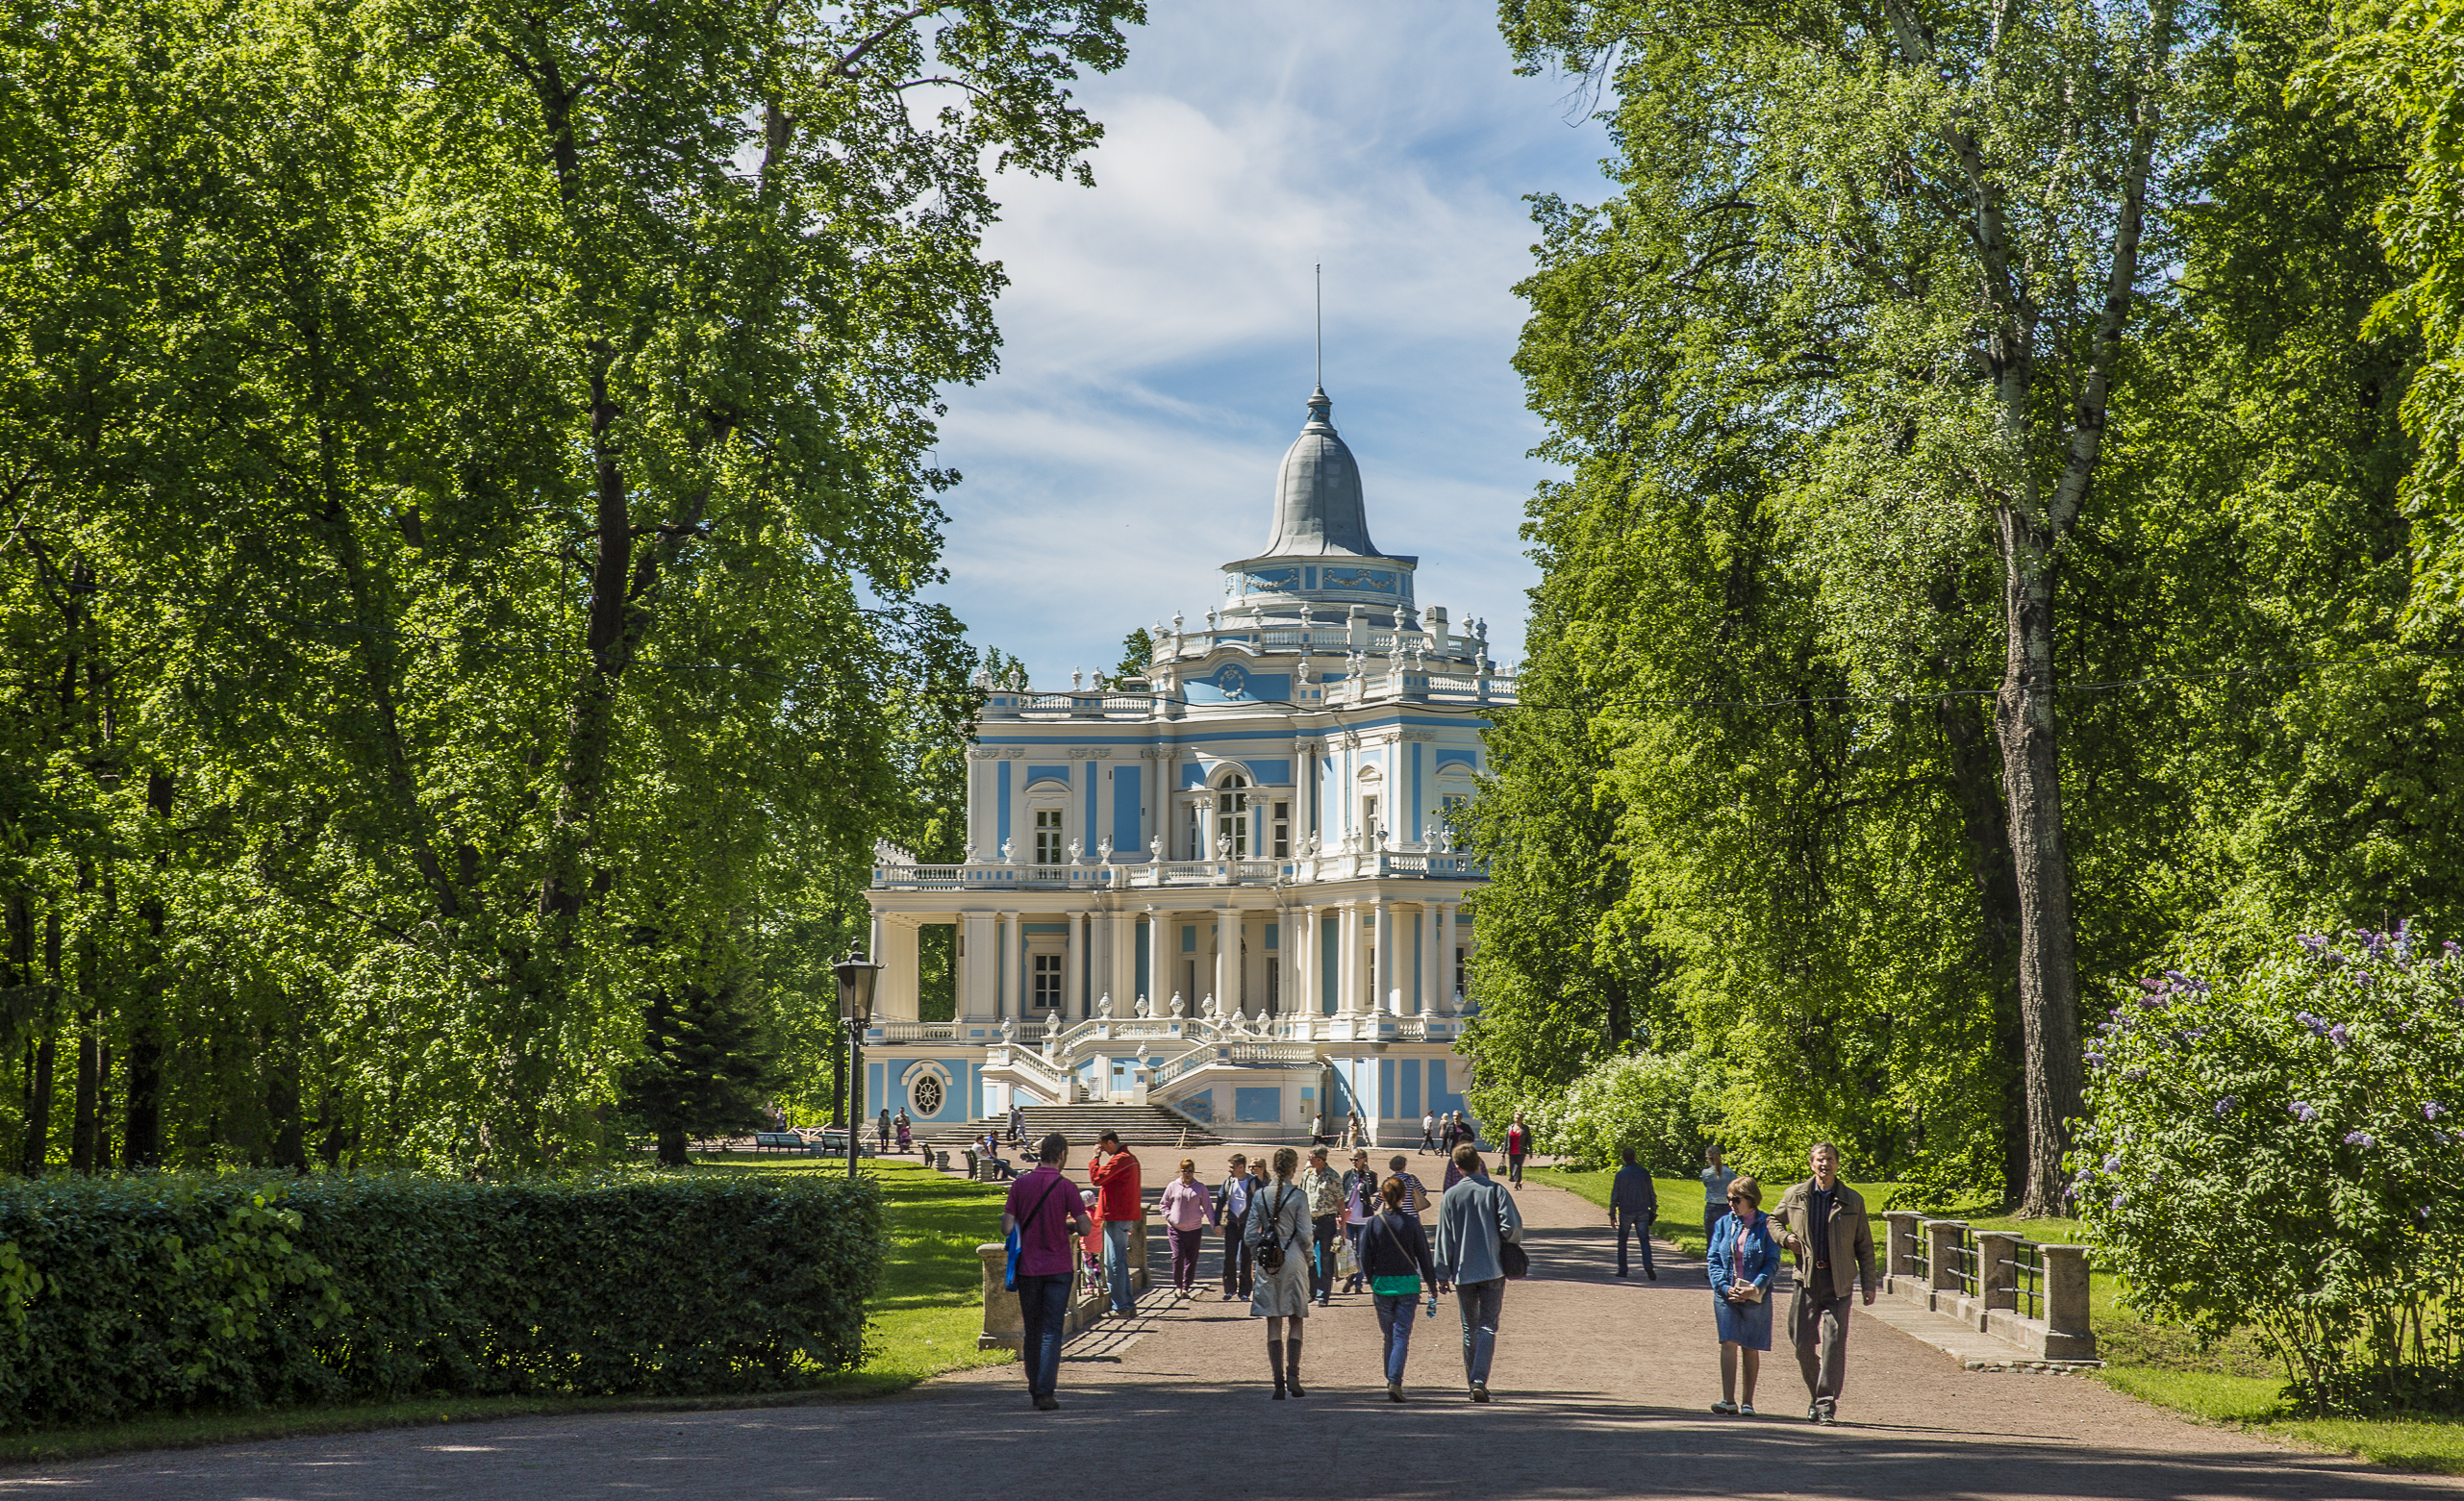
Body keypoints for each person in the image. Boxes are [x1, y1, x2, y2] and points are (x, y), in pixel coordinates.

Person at [1772, 1141, 1876, 1425]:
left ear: (1837, 1164)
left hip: (1838, 1282)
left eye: (1829, 1159)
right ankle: (1816, 1395)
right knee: (1802, 1344)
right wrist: (1785, 1238)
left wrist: (1869, 1283)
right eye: (1819, 1159)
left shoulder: (1852, 1200)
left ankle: (1825, 1405)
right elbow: (1772, 1220)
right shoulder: (1795, 1195)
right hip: (1805, 1280)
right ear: (1811, 1164)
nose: (1824, 1164)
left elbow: (1864, 1245)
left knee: (1833, 1344)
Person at [1002, 1132, 1092, 1412]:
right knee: (1052, 1330)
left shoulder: (1020, 1185)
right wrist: (1068, 1226)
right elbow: (1086, 1228)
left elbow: (1006, 1228)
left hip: (1029, 1267)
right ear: (1062, 1155)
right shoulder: (1066, 1187)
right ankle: (1045, 1391)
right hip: (1059, 1268)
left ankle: (1033, 1386)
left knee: (1033, 1330)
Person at [1433, 1141, 1522, 1401]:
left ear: (1457, 1167)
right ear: (1479, 1164)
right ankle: (1479, 1379)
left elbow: (1444, 1239)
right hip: (1492, 1268)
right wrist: (1503, 1242)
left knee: (1468, 1327)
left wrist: (1441, 1273)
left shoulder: (1450, 1196)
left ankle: (1472, 1379)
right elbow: (1512, 1228)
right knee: (1488, 1326)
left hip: (1463, 1272)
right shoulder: (1495, 1191)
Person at [1361, 1174, 1441, 1402]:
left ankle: (1391, 1377)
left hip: (1382, 1285)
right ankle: (1394, 1379)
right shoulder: (1412, 1223)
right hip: (1407, 1284)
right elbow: (1424, 1256)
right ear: (1405, 1196)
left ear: (1383, 1196)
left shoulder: (1373, 1223)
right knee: (1401, 1335)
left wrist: (1372, 1280)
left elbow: (1365, 1257)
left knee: (1389, 1335)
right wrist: (1432, 1284)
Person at [1707, 1173, 1780, 1415]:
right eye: (1729, 1198)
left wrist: (1755, 1288)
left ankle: (1747, 1402)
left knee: (1750, 1346)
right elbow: (1714, 1259)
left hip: (1755, 1295)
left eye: (1736, 1199)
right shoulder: (1723, 1224)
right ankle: (1728, 1400)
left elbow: (1771, 1262)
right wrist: (1724, 1287)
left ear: (1750, 1199)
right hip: (1726, 1293)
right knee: (1728, 1341)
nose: (1731, 1203)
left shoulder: (1767, 1224)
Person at [1245, 1145, 1314, 1398]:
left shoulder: (1261, 1195)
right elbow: (1306, 1234)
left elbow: (1250, 1234)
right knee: (1296, 1317)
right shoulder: (1298, 1196)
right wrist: (1309, 1257)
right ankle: (1293, 1374)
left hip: (1268, 1261)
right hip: (1293, 1258)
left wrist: (1258, 1254)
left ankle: (1277, 1381)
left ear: (1273, 1167)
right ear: (1293, 1168)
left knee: (1273, 1320)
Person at [1088, 1130, 1143, 1317]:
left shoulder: (1121, 1159)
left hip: (1117, 1215)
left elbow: (1097, 1179)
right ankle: (1127, 1303)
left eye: (1103, 1147)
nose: (1102, 1151)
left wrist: (1095, 1158)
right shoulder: (1131, 1158)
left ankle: (1120, 1307)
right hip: (1124, 1214)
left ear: (1110, 1143)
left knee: (1113, 1263)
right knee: (1120, 1261)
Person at [1159, 1157, 1214, 1299]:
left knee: (1191, 1259)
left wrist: (1215, 1225)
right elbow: (1163, 1204)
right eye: (1184, 1170)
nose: (1187, 1174)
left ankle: (1186, 1287)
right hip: (1175, 1228)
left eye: (1190, 1171)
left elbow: (1208, 1208)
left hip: (1194, 1229)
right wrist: (1169, 1216)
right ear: (1180, 1170)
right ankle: (1178, 1286)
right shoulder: (1173, 1185)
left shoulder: (1200, 1187)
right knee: (1178, 1256)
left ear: (1194, 1171)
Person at [1298, 1146, 1345, 1306]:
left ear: (1319, 1159)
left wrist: (1342, 1227)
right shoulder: (1308, 1174)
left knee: (1326, 1260)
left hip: (1327, 1222)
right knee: (1308, 1259)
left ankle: (1322, 1296)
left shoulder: (1333, 1177)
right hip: (1309, 1222)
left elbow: (1340, 1202)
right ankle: (1311, 1291)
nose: (1308, 1159)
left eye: (1310, 1157)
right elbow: (1300, 1196)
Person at [1610, 1143, 1659, 1280]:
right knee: (1644, 1239)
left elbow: (1615, 1195)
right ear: (1635, 1157)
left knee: (1622, 1240)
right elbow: (1651, 1192)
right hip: (1642, 1209)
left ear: (1623, 1159)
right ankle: (1648, 1264)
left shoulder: (1621, 1174)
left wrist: (1612, 1214)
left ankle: (1623, 1269)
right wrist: (1653, 1209)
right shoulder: (1644, 1172)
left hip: (1626, 1210)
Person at [1215, 1153, 1254, 1300]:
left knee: (1246, 1259)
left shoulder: (1253, 1182)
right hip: (1232, 1225)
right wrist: (1217, 1222)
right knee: (1229, 1258)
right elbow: (1220, 1202)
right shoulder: (1228, 1182)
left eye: (1232, 1167)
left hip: (1248, 1226)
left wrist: (1261, 1224)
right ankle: (1229, 1289)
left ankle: (1244, 1292)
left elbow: (1261, 1204)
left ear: (1241, 1167)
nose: (1229, 1170)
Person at [1340, 1149, 1379, 1295]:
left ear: (1364, 1159)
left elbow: (1371, 1191)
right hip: (1349, 1219)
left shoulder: (1371, 1175)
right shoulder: (1347, 1175)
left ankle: (1356, 1283)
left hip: (1364, 1219)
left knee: (1362, 1253)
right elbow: (1342, 1195)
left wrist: (1367, 1174)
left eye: (1356, 1159)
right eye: (1351, 1159)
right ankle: (1353, 1278)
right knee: (1349, 1252)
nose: (1353, 1162)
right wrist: (1340, 1214)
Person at [1700, 1143, 1737, 1246]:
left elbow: (1706, 1184)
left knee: (1711, 1236)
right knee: (1726, 1235)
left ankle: (1712, 1258)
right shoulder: (1730, 1173)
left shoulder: (1706, 1173)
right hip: (1726, 1206)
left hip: (1711, 1205)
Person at [1385, 1153, 1430, 1225]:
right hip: (1412, 1214)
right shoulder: (1411, 1178)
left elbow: (1381, 1197)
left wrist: (1374, 1207)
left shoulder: (1389, 1181)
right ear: (1403, 1166)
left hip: (1395, 1215)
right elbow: (1423, 1192)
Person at [1504, 1113, 1531, 1187]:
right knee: (1512, 1167)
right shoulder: (1510, 1127)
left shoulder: (1525, 1128)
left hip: (1521, 1150)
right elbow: (1506, 1139)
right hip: (1511, 1150)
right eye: (1516, 1118)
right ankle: (1518, 1180)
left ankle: (1518, 1183)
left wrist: (1530, 1151)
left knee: (1518, 1167)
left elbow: (1529, 1140)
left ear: (1521, 1119)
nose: (1517, 1120)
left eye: (1519, 1118)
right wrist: (1504, 1151)